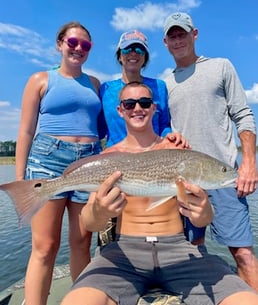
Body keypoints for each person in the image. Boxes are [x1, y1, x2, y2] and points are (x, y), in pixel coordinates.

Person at [61, 82, 258, 305]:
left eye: (145, 103)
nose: (138, 108)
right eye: (129, 103)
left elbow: (204, 218)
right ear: (120, 110)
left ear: (154, 108)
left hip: (179, 251)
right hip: (124, 253)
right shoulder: (108, 158)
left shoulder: (179, 151)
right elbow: (89, 222)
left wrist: (203, 212)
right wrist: (99, 211)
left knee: (246, 300)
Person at [162, 12, 258, 290]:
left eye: (183, 33)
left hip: (224, 176)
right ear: (165, 42)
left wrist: (249, 163)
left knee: (243, 254)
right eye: (173, 36)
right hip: (184, 182)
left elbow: (243, 115)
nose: (178, 40)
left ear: (195, 34)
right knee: (194, 249)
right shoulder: (165, 84)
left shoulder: (221, 67)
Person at [15, 21, 104, 305]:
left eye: (85, 45)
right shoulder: (40, 80)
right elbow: (26, 131)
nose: (79, 49)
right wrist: (21, 179)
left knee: (82, 243)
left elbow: (102, 128)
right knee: (45, 246)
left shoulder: (94, 84)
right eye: (73, 43)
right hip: (47, 160)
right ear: (60, 44)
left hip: (88, 163)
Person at [100, 29, 188, 148]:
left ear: (145, 58)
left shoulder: (159, 86)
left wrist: (170, 136)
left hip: (152, 157)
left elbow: (164, 124)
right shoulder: (105, 89)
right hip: (116, 160)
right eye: (127, 49)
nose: (133, 53)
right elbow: (100, 129)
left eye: (139, 50)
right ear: (119, 56)